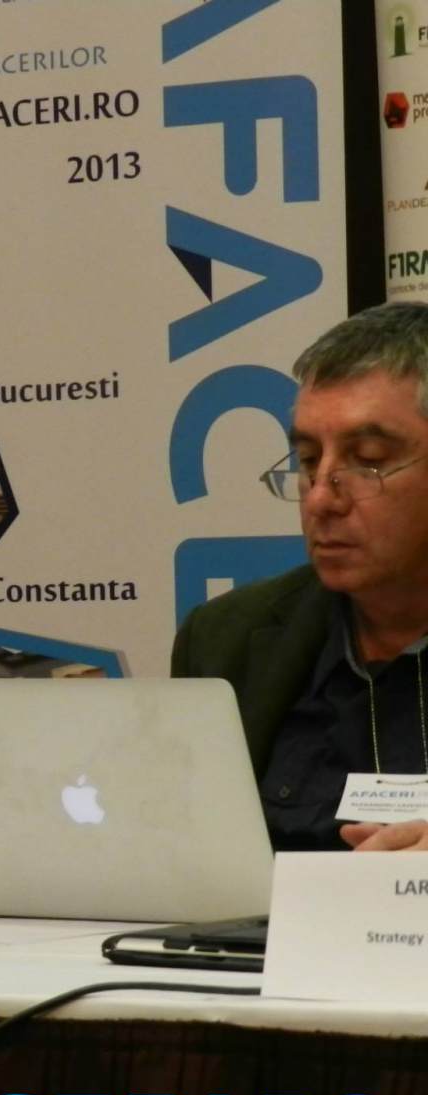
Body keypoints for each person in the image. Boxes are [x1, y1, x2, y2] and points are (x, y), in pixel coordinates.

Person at [173, 302, 428, 852]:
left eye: (367, 459)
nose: (319, 499)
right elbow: (188, 859)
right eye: (310, 461)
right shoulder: (226, 641)